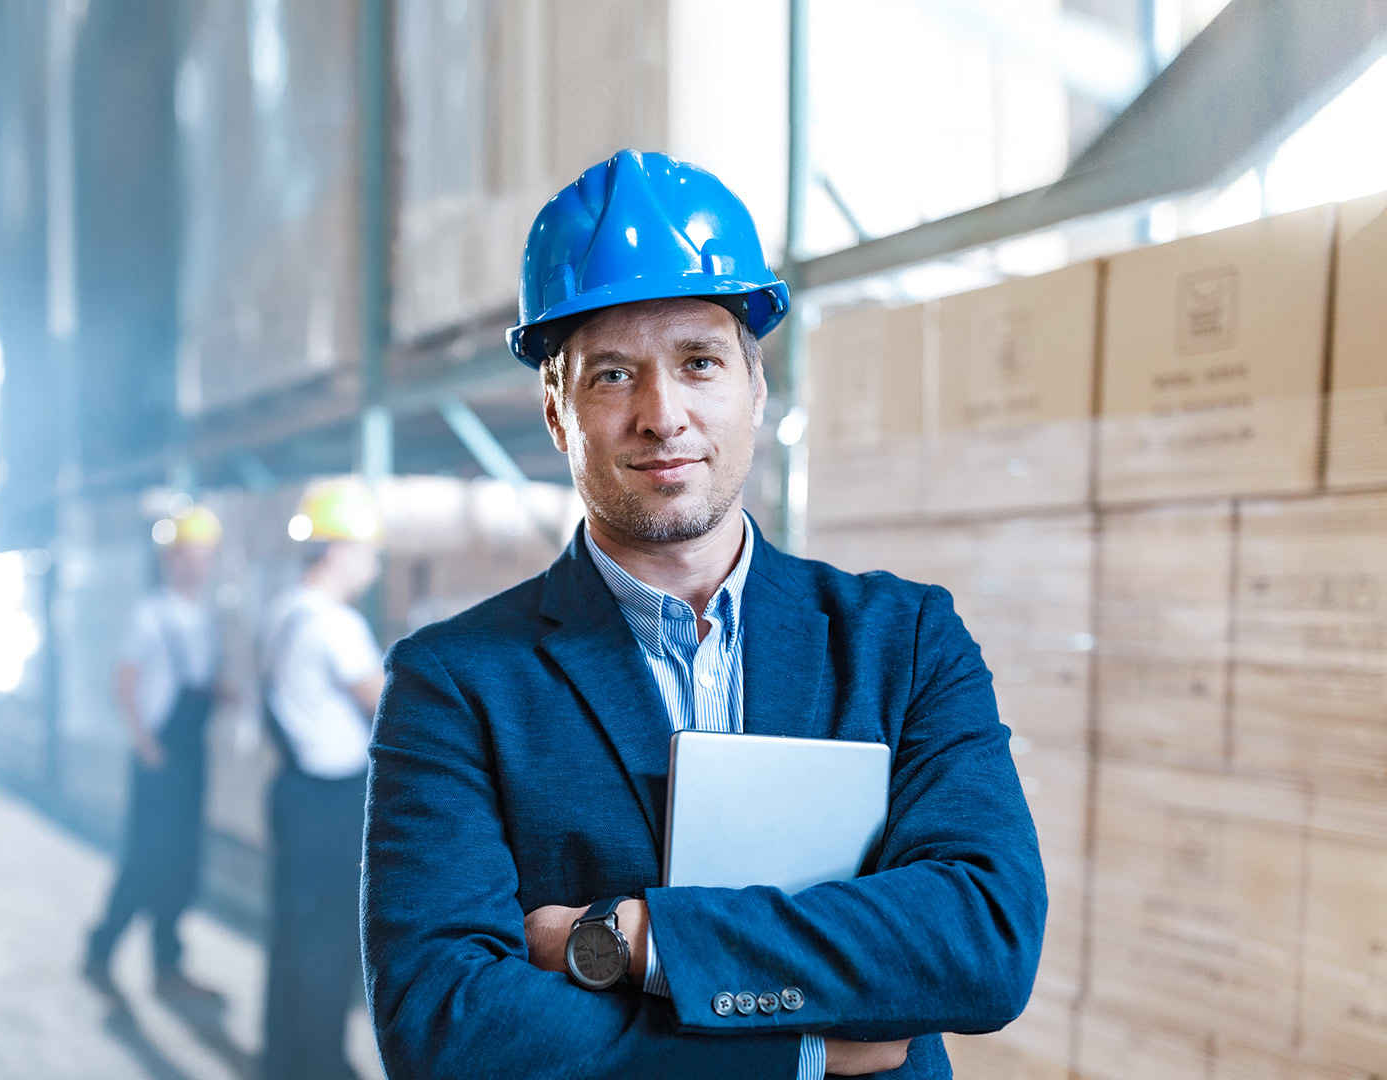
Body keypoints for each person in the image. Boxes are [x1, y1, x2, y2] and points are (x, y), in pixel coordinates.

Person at [361, 150, 1047, 1079]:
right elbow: (442, 1023)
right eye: (611, 376)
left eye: (698, 362)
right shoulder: (456, 683)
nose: (663, 414)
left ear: (755, 389)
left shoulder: (905, 643)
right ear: (558, 412)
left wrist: (636, 938)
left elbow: (981, 938)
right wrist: (798, 1053)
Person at [258, 477, 387, 1080]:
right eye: (367, 550)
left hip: (292, 792)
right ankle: (319, 1066)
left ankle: (281, 1060)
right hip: (330, 802)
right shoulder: (336, 624)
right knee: (327, 941)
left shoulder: (283, 609)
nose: (374, 563)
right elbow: (386, 707)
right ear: (337, 549)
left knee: (291, 933)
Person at [83, 506, 227, 1006]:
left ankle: (168, 963)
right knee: (146, 859)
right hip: (160, 759)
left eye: (204, 555)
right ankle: (100, 947)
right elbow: (123, 682)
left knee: (182, 863)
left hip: (191, 759)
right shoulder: (152, 614)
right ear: (169, 560)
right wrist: (145, 743)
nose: (197, 565)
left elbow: (197, 685)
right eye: (188, 555)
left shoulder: (203, 618)